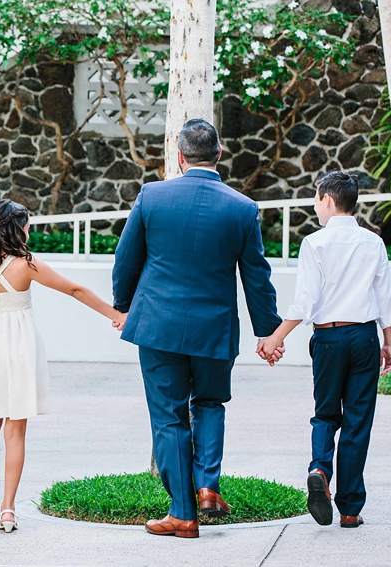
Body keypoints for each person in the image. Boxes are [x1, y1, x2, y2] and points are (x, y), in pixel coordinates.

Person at [112, 119, 284, 539]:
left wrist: (123, 305)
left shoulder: (152, 196)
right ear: (219, 154)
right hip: (215, 331)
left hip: (157, 327)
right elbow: (256, 278)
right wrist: (268, 331)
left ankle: (183, 513)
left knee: (169, 417)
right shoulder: (242, 207)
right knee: (209, 404)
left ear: (179, 154)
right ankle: (207, 483)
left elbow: (126, 259)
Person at [0, 199, 125, 533]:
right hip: (20, 346)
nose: (29, 231)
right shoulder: (27, 264)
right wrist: (114, 314)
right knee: (16, 428)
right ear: (16, 228)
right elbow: (74, 289)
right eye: (27, 226)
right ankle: (8, 509)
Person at [259, 170, 391, 528]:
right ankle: (350, 509)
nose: (315, 205)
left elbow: (304, 303)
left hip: (329, 339)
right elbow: (386, 299)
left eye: (316, 199)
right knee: (358, 421)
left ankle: (319, 467)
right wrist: (390, 342)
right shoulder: (374, 242)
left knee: (325, 414)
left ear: (328, 201)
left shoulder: (314, 244)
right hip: (365, 338)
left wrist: (276, 337)